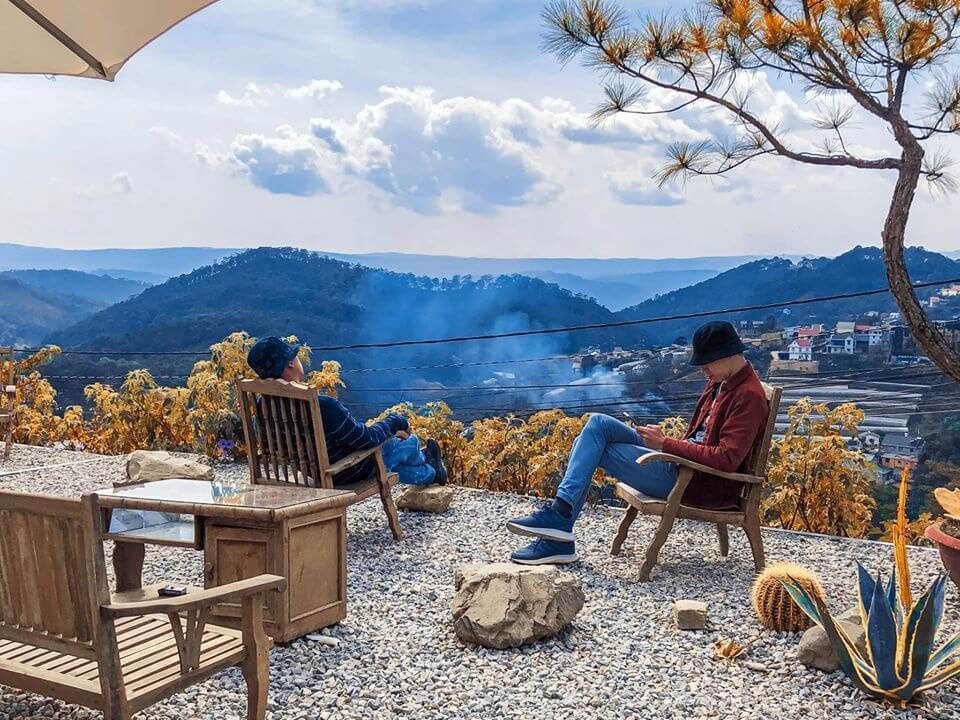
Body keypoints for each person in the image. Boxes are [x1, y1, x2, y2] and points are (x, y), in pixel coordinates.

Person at [506, 321, 769, 565]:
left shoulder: (748, 396)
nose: (703, 371)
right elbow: (701, 438)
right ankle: (559, 518)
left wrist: (666, 444)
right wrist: (665, 442)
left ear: (726, 356)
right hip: (681, 465)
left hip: (692, 481)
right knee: (597, 424)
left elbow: (726, 458)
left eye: (706, 364)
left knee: (598, 447)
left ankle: (558, 527)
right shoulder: (722, 382)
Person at [246, 336, 447, 487]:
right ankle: (423, 457)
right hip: (345, 470)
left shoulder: (261, 414)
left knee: (397, 464)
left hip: (313, 473)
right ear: (290, 363)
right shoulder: (321, 406)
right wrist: (395, 422)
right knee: (404, 442)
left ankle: (432, 473)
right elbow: (366, 439)